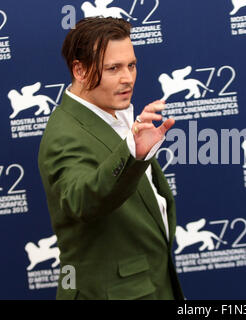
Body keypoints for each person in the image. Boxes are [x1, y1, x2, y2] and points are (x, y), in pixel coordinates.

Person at [38, 17, 184, 300]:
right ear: (79, 70)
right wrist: (131, 153)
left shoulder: (115, 114)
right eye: (113, 68)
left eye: (131, 65)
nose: (127, 77)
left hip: (150, 284)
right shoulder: (63, 134)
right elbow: (81, 199)